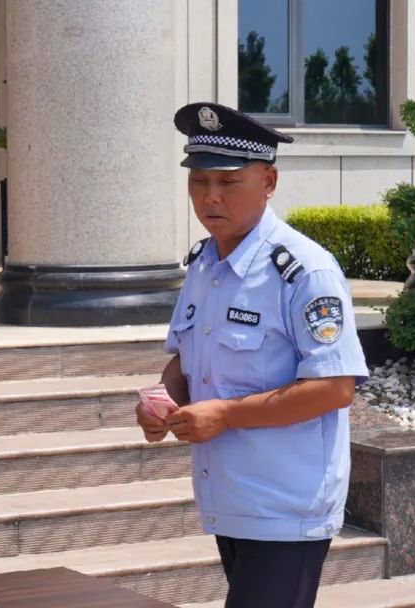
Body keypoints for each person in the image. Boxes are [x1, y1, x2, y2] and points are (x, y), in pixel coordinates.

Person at [136, 102, 369, 608]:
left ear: (269, 182)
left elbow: (335, 388)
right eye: (199, 181)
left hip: (286, 503)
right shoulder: (204, 263)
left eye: (227, 181)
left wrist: (224, 414)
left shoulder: (304, 271)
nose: (210, 196)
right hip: (229, 495)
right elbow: (185, 358)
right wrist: (163, 401)